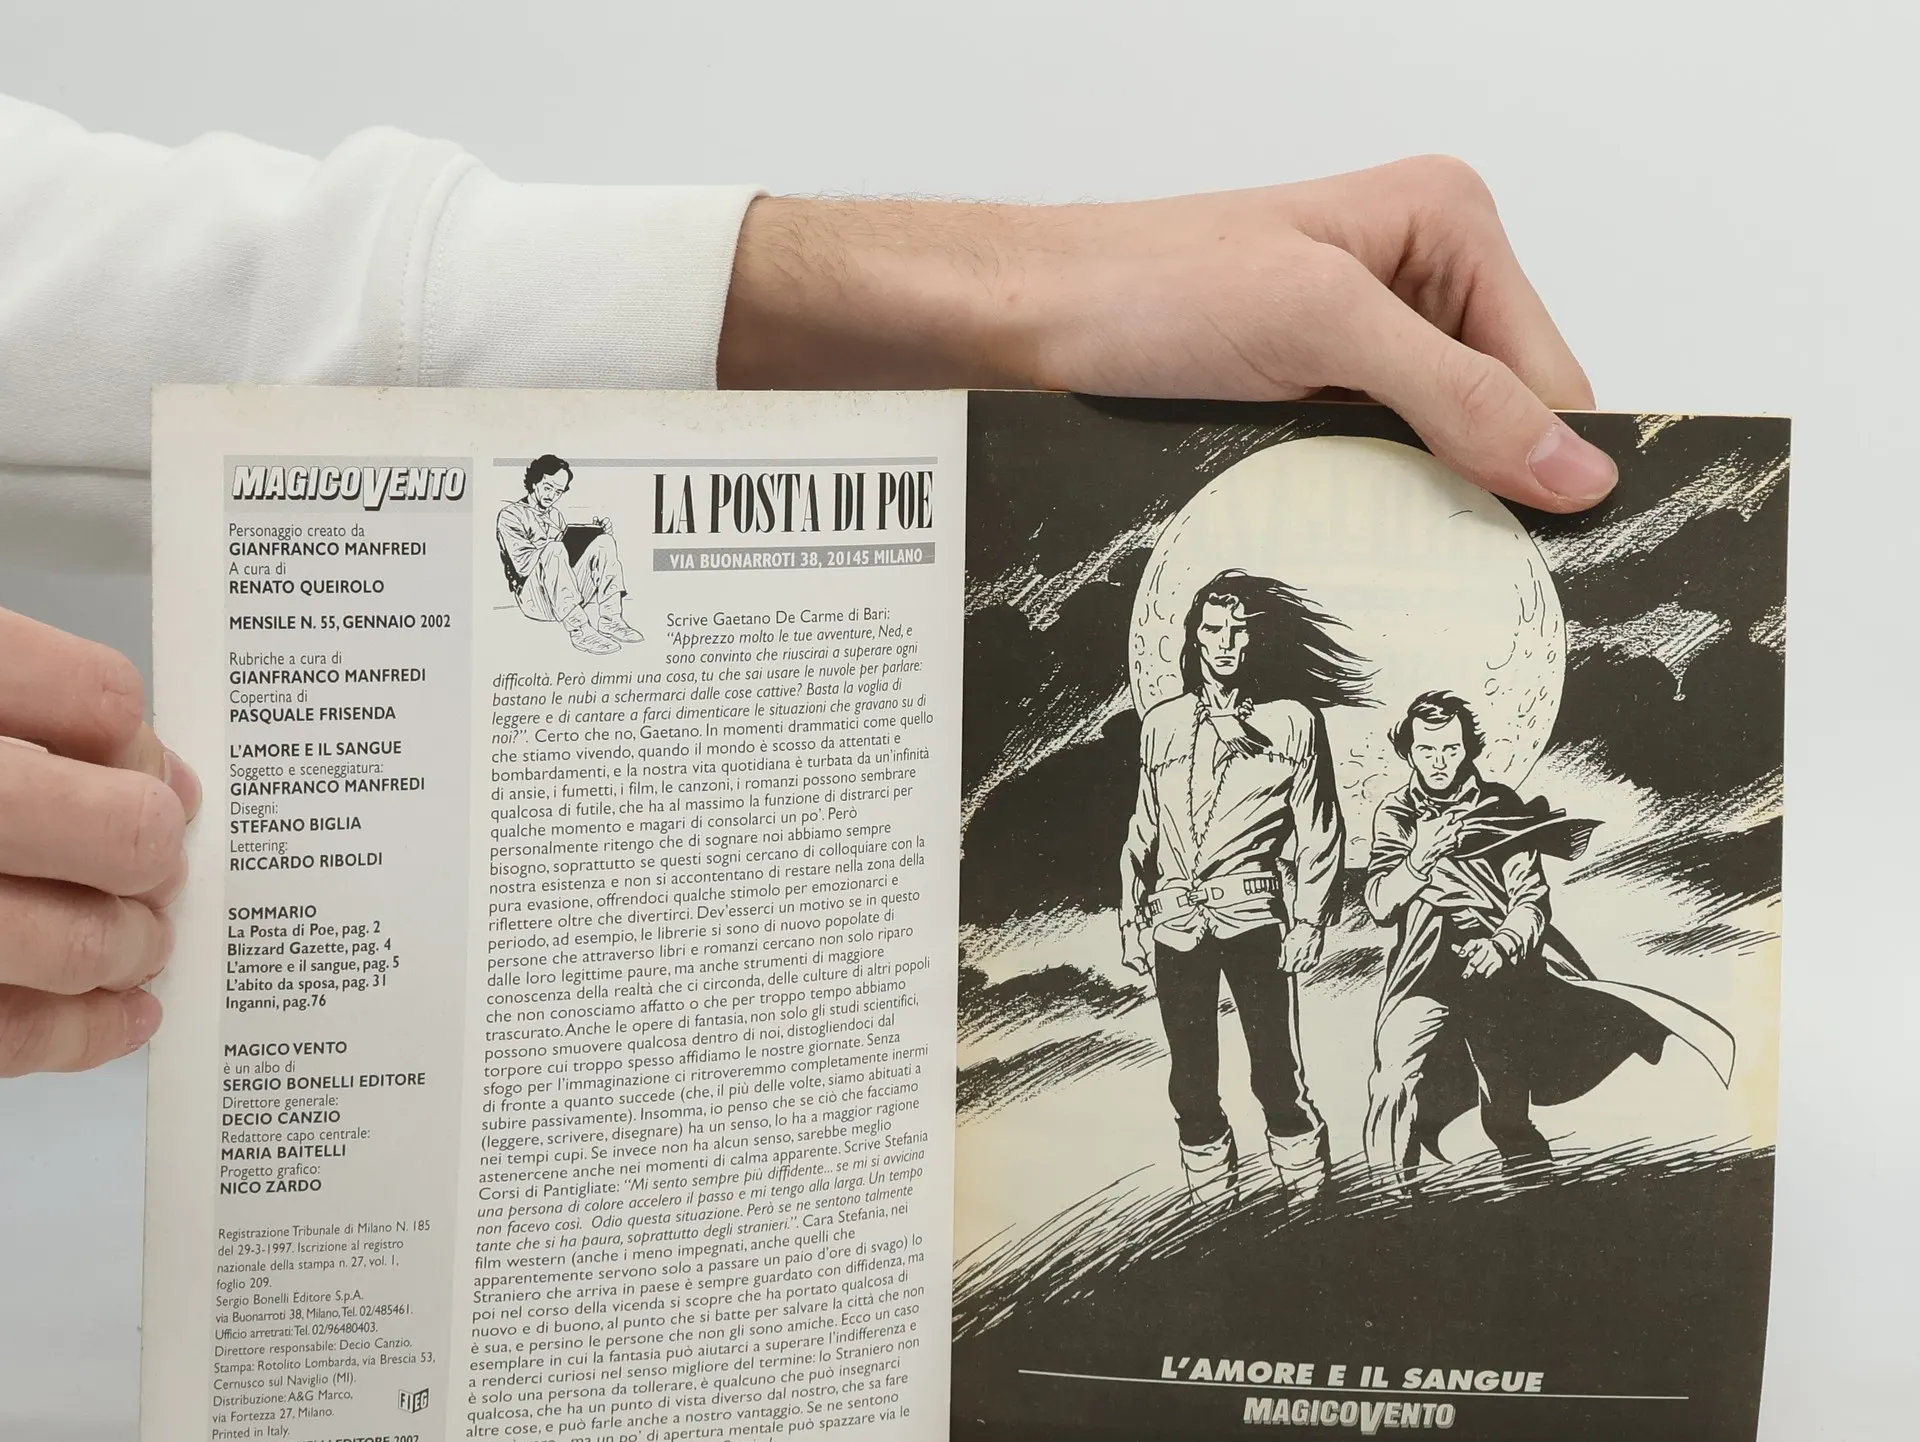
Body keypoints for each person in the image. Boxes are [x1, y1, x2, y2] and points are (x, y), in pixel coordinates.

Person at [0, 92, 1621, 1079]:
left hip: (1273, 921)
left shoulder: (1302, 736)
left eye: (1229, 622)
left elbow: (101, 264)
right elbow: (1146, 821)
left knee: (1284, 1069)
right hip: (1189, 919)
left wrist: (1026, 289)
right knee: (1206, 1076)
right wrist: (1142, 899)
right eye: (1202, 618)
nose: (1213, 636)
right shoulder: (1182, 729)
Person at [1361, 690, 1734, 1179]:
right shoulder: (1395, 814)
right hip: (1424, 968)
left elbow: (1531, 899)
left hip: (1497, 967)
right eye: (1426, 750)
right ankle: (1386, 1194)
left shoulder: (1500, 805)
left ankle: (1535, 1194)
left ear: (1468, 748)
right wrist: (1419, 858)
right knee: (1391, 1078)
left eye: (1451, 749)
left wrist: (1501, 946)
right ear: (1408, 751)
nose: (1439, 762)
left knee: (1505, 1103)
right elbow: (1380, 903)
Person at [1120, 571, 1368, 1208]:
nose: (1226, 643)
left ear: (1259, 638)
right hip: (1175, 922)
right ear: (1195, 637)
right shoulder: (1162, 724)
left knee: (1276, 1075)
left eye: (1239, 630)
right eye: (1213, 629)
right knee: (1190, 1084)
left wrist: (1309, 920)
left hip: (1254, 917)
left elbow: (1320, 831)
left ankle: (1310, 1206)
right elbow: (1143, 829)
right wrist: (1130, 919)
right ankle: (1212, 1214)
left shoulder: (1294, 723)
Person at [495, 454, 644, 653]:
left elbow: (568, 556)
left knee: (604, 542)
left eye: (558, 491)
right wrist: (551, 547)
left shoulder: (555, 515)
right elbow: (522, 566)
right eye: (548, 487)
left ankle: (611, 619)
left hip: (563, 598)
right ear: (534, 482)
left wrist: (591, 536)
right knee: (554, 549)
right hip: (535, 599)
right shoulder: (511, 515)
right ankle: (580, 630)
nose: (552, 495)